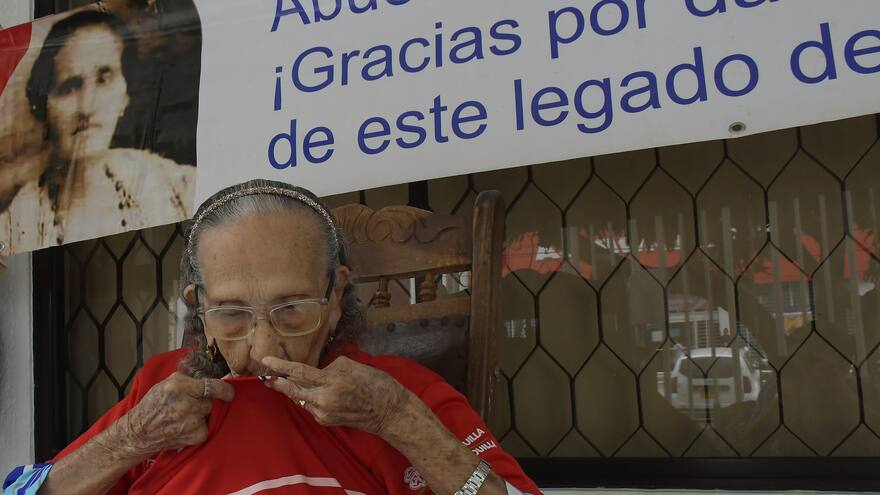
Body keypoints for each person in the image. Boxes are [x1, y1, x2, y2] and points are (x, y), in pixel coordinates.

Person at [4, 179, 541, 495]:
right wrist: (130, 441)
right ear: (200, 309)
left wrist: (398, 421)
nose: (263, 348)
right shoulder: (163, 393)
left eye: (292, 310)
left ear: (335, 298)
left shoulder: (399, 395)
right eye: (232, 313)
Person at [0, 9, 194, 253]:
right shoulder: (16, 223)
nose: (87, 106)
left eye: (104, 79)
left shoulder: (173, 186)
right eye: (69, 87)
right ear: (45, 106)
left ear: (125, 94)